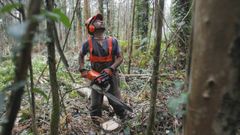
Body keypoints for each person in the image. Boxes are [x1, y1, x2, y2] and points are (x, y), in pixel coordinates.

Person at [78, 13, 127, 125]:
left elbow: (120, 58)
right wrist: (82, 69)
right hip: (96, 77)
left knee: (116, 101)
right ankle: (96, 124)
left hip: (111, 76)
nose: (101, 22)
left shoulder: (112, 41)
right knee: (95, 104)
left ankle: (123, 119)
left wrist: (111, 68)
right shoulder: (88, 43)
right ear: (91, 27)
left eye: (101, 21)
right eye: (97, 21)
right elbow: (80, 55)